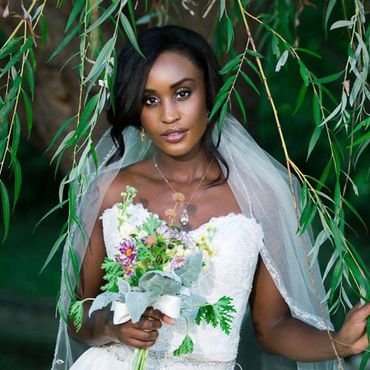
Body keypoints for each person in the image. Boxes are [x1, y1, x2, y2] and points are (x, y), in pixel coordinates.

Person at [52, 25, 370, 370]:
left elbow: (272, 328)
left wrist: (338, 343)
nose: (169, 115)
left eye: (183, 93)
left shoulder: (262, 197)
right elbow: (77, 313)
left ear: (209, 92)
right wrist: (113, 324)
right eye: (150, 99)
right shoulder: (110, 189)